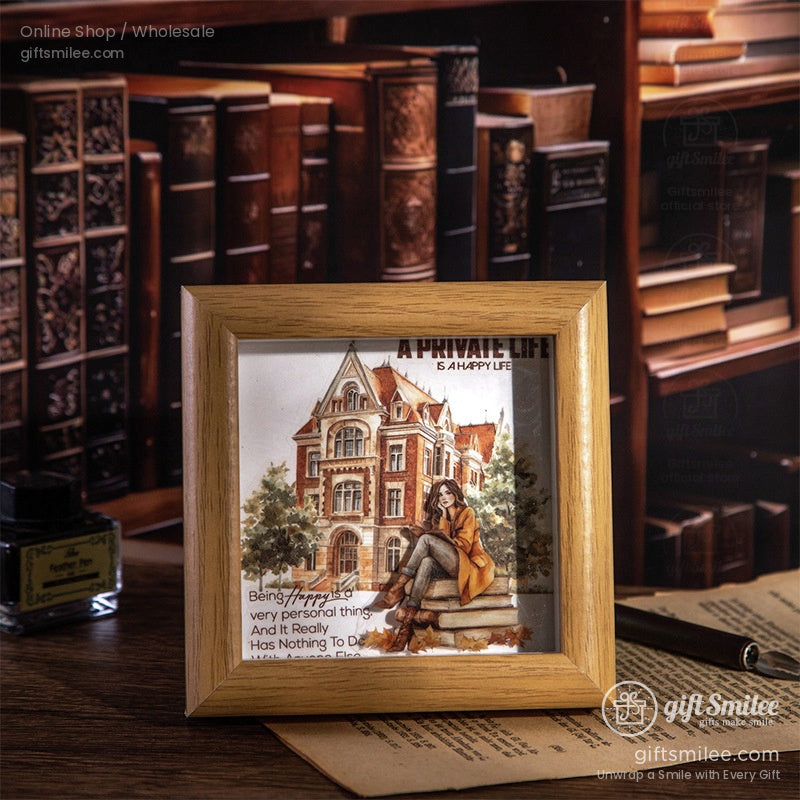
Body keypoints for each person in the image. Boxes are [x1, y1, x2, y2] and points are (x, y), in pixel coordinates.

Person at [374, 478, 495, 651]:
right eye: (440, 495)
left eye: (447, 493)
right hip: (450, 564)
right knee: (426, 562)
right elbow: (439, 546)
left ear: (455, 494)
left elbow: (464, 545)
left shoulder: (467, 512)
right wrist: (440, 521)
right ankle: (405, 630)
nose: (444, 497)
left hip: (467, 564)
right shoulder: (441, 517)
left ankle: (397, 589)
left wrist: (436, 531)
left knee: (426, 539)